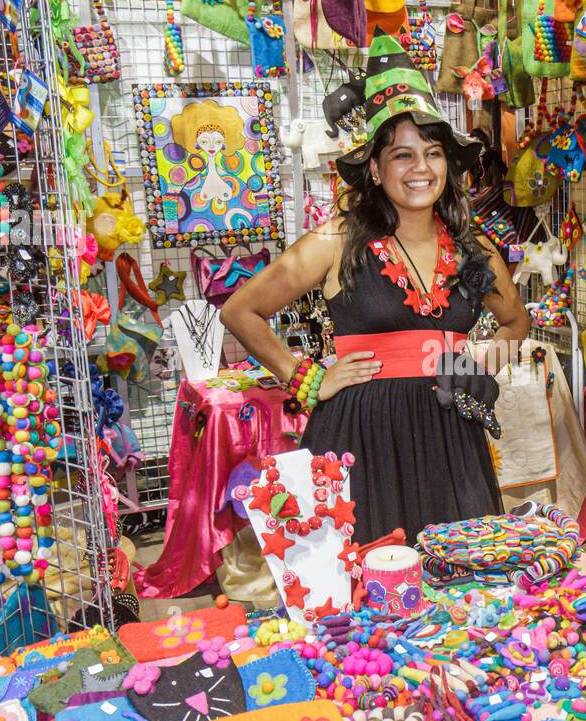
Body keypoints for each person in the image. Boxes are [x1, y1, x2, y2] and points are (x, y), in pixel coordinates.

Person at [222, 33, 530, 545]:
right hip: (358, 439)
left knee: (459, 586)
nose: (421, 169)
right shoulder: (334, 240)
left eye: (432, 153)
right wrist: (305, 378)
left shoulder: (473, 248)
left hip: (449, 440)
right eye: (402, 156)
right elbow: (241, 311)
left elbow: (516, 319)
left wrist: (478, 365)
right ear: (374, 167)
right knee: (363, 594)